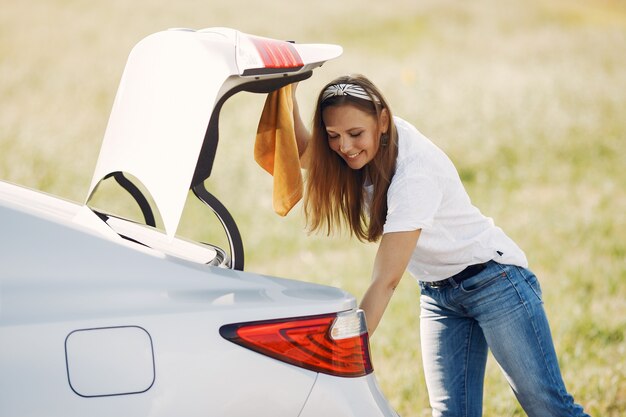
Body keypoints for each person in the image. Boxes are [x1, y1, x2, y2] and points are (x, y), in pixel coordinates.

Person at [291, 74, 590, 417]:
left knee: (548, 408)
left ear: (382, 121)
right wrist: (287, 95)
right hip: (439, 296)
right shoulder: (369, 147)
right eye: (333, 135)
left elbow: (385, 280)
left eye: (355, 134)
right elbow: (302, 154)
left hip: (495, 285)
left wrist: (344, 353)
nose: (344, 146)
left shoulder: (414, 173)